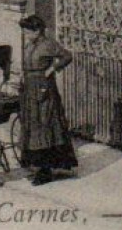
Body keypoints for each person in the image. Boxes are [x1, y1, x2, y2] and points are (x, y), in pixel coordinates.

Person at [17, 14, 77, 185]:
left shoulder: (48, 44)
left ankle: (45, 170)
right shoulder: (30, 44)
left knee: (45, 125)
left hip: (43, 89)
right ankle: (35, 164)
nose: (27, 35)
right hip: (29, 88)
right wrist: (22, 75)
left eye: (29, 31)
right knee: (32, 124)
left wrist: (53, 68)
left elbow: (67, 56)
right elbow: (27, 63)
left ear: (38, 30)